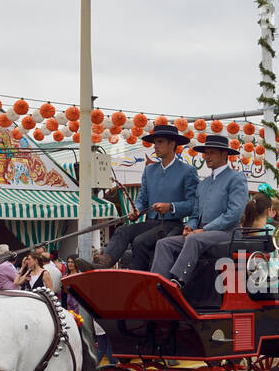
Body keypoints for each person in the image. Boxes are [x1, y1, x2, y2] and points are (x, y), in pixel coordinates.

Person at [151, 133, 248, 290]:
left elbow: (234, 213)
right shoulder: (203, 184)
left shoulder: (236, 178)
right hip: (201, 233)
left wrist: (204, 229)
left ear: (224, 154)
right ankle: (157, 284)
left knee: (194, 239)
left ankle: (177, 281)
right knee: (164, 243)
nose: (207, 157)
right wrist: (190, 226)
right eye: (206, 153)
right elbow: (195, 214)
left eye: (212, 153)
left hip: (228, 233)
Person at [98, 123, 199, 271]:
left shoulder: (188, 171)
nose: (155, 146)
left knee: (140, 241)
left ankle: (142, 279)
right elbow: (142, 198)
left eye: (160, 142)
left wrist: (170, 207)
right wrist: (136, 210)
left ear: (172, 144)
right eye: (154, 143)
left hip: (173, 225)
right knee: (122, 231)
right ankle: (102, 265)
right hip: (150, 222)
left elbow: (193, 204)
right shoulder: (149, 170)